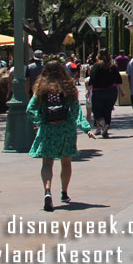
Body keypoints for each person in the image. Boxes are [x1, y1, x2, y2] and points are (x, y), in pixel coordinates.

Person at [26, 60, 97, 211]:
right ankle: (64, 193)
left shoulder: (41, 89)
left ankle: (47, 191)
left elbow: (30, 109)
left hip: (48, 129)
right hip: (66, 129)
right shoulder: (68, 88)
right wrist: (86, 128)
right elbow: (76, 110)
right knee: (66, 162)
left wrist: (41, 120)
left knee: (47, 162)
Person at [86, 49, 123, 138]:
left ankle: (102, 123)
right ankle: (106, 125)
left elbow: (92, 80)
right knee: (108, 110)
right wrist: (122, 91)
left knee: (96, 110)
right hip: (111, 91)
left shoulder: (96, 66)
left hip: (98, 91)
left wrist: (88, 91)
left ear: (98, 56)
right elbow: (118, 80)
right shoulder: (113, 66)